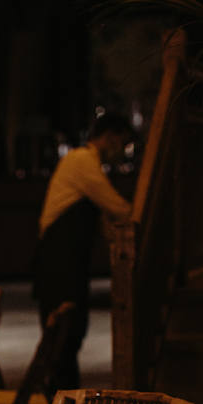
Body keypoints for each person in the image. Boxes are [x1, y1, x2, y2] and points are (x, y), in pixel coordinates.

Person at [32, 111, 134, 389]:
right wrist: (138, 216)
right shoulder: (81, 160)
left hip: (67, 260)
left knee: (71, 334)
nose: (121, 153)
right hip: (59, 261)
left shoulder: (84, 163)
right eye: (122, 144)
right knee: (64, 335)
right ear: (109, 137)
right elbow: (114, 205)